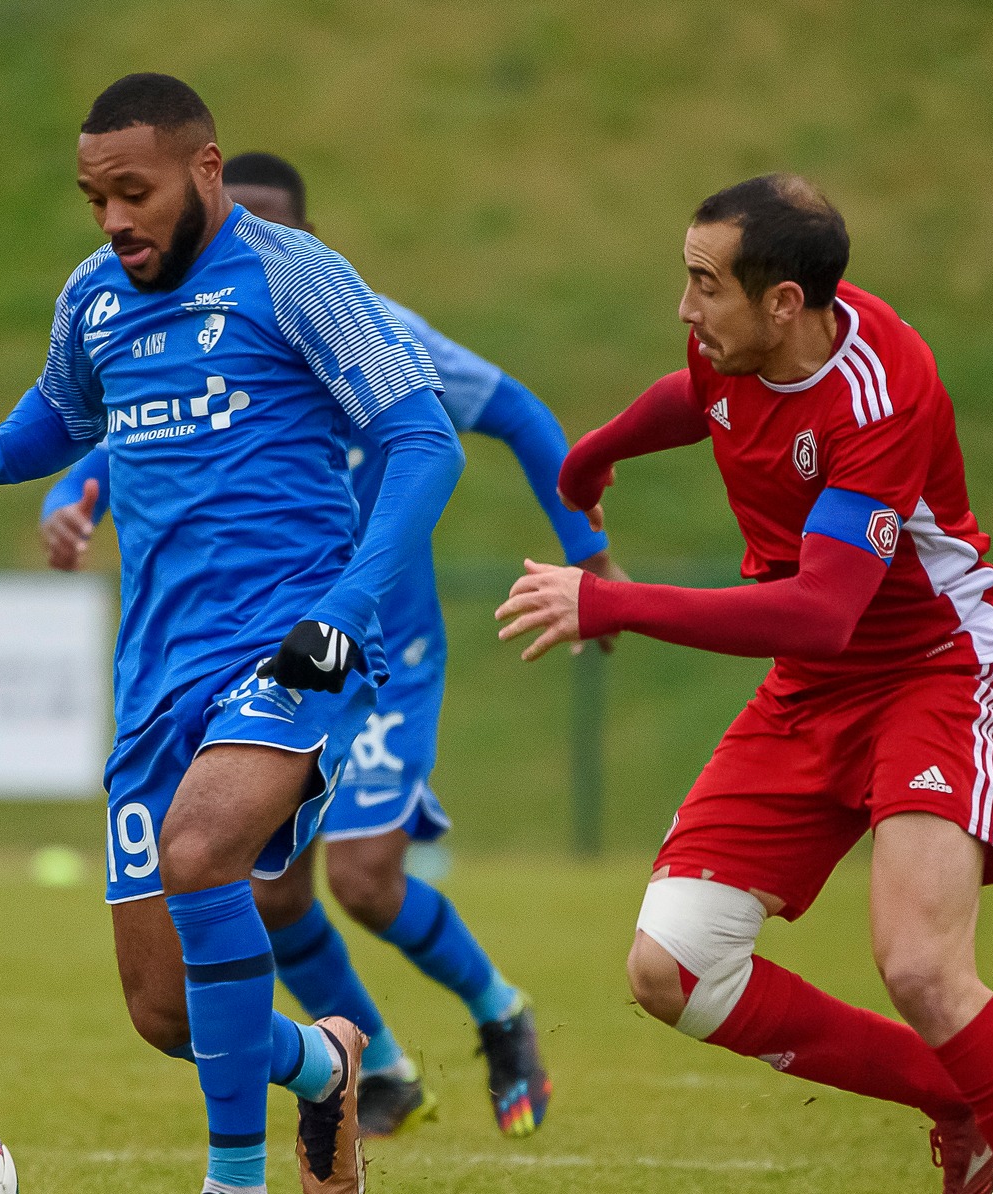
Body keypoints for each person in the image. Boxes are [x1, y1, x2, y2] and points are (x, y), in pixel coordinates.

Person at [496, 173, 993, 1194]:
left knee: (917, 963)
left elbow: (821, 609)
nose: (685, 306)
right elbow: (695, 392)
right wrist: (592, 455)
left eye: (703, 284)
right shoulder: (738, 344)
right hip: (810, 690)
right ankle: (954, 1104)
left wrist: (615, 601)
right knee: (669, 967)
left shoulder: (878, 392)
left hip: (927, 674)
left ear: (786, 301)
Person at [0, 74, 464, 1194]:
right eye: (94, 197)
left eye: (134, 191)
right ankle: (325, 1065)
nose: (113, 219)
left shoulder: (292, 276)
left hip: (290, 645)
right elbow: (64, 413)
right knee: (164, 1012)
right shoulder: (93, 296)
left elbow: (420, 438)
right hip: (153, 674)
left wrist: (342, 612)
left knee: (202, 849)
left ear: (204, 169)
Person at [40, 152, 623, 1139]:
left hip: (378, 653)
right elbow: (110, 434)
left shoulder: (373, 326)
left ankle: (498, 1011)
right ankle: (381, 1066)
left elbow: (517, 414)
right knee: (265, 893)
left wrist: (588, 555)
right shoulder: (183, 321)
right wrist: (67, 498)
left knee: (364, 878)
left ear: (303, 239)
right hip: (269, 656)